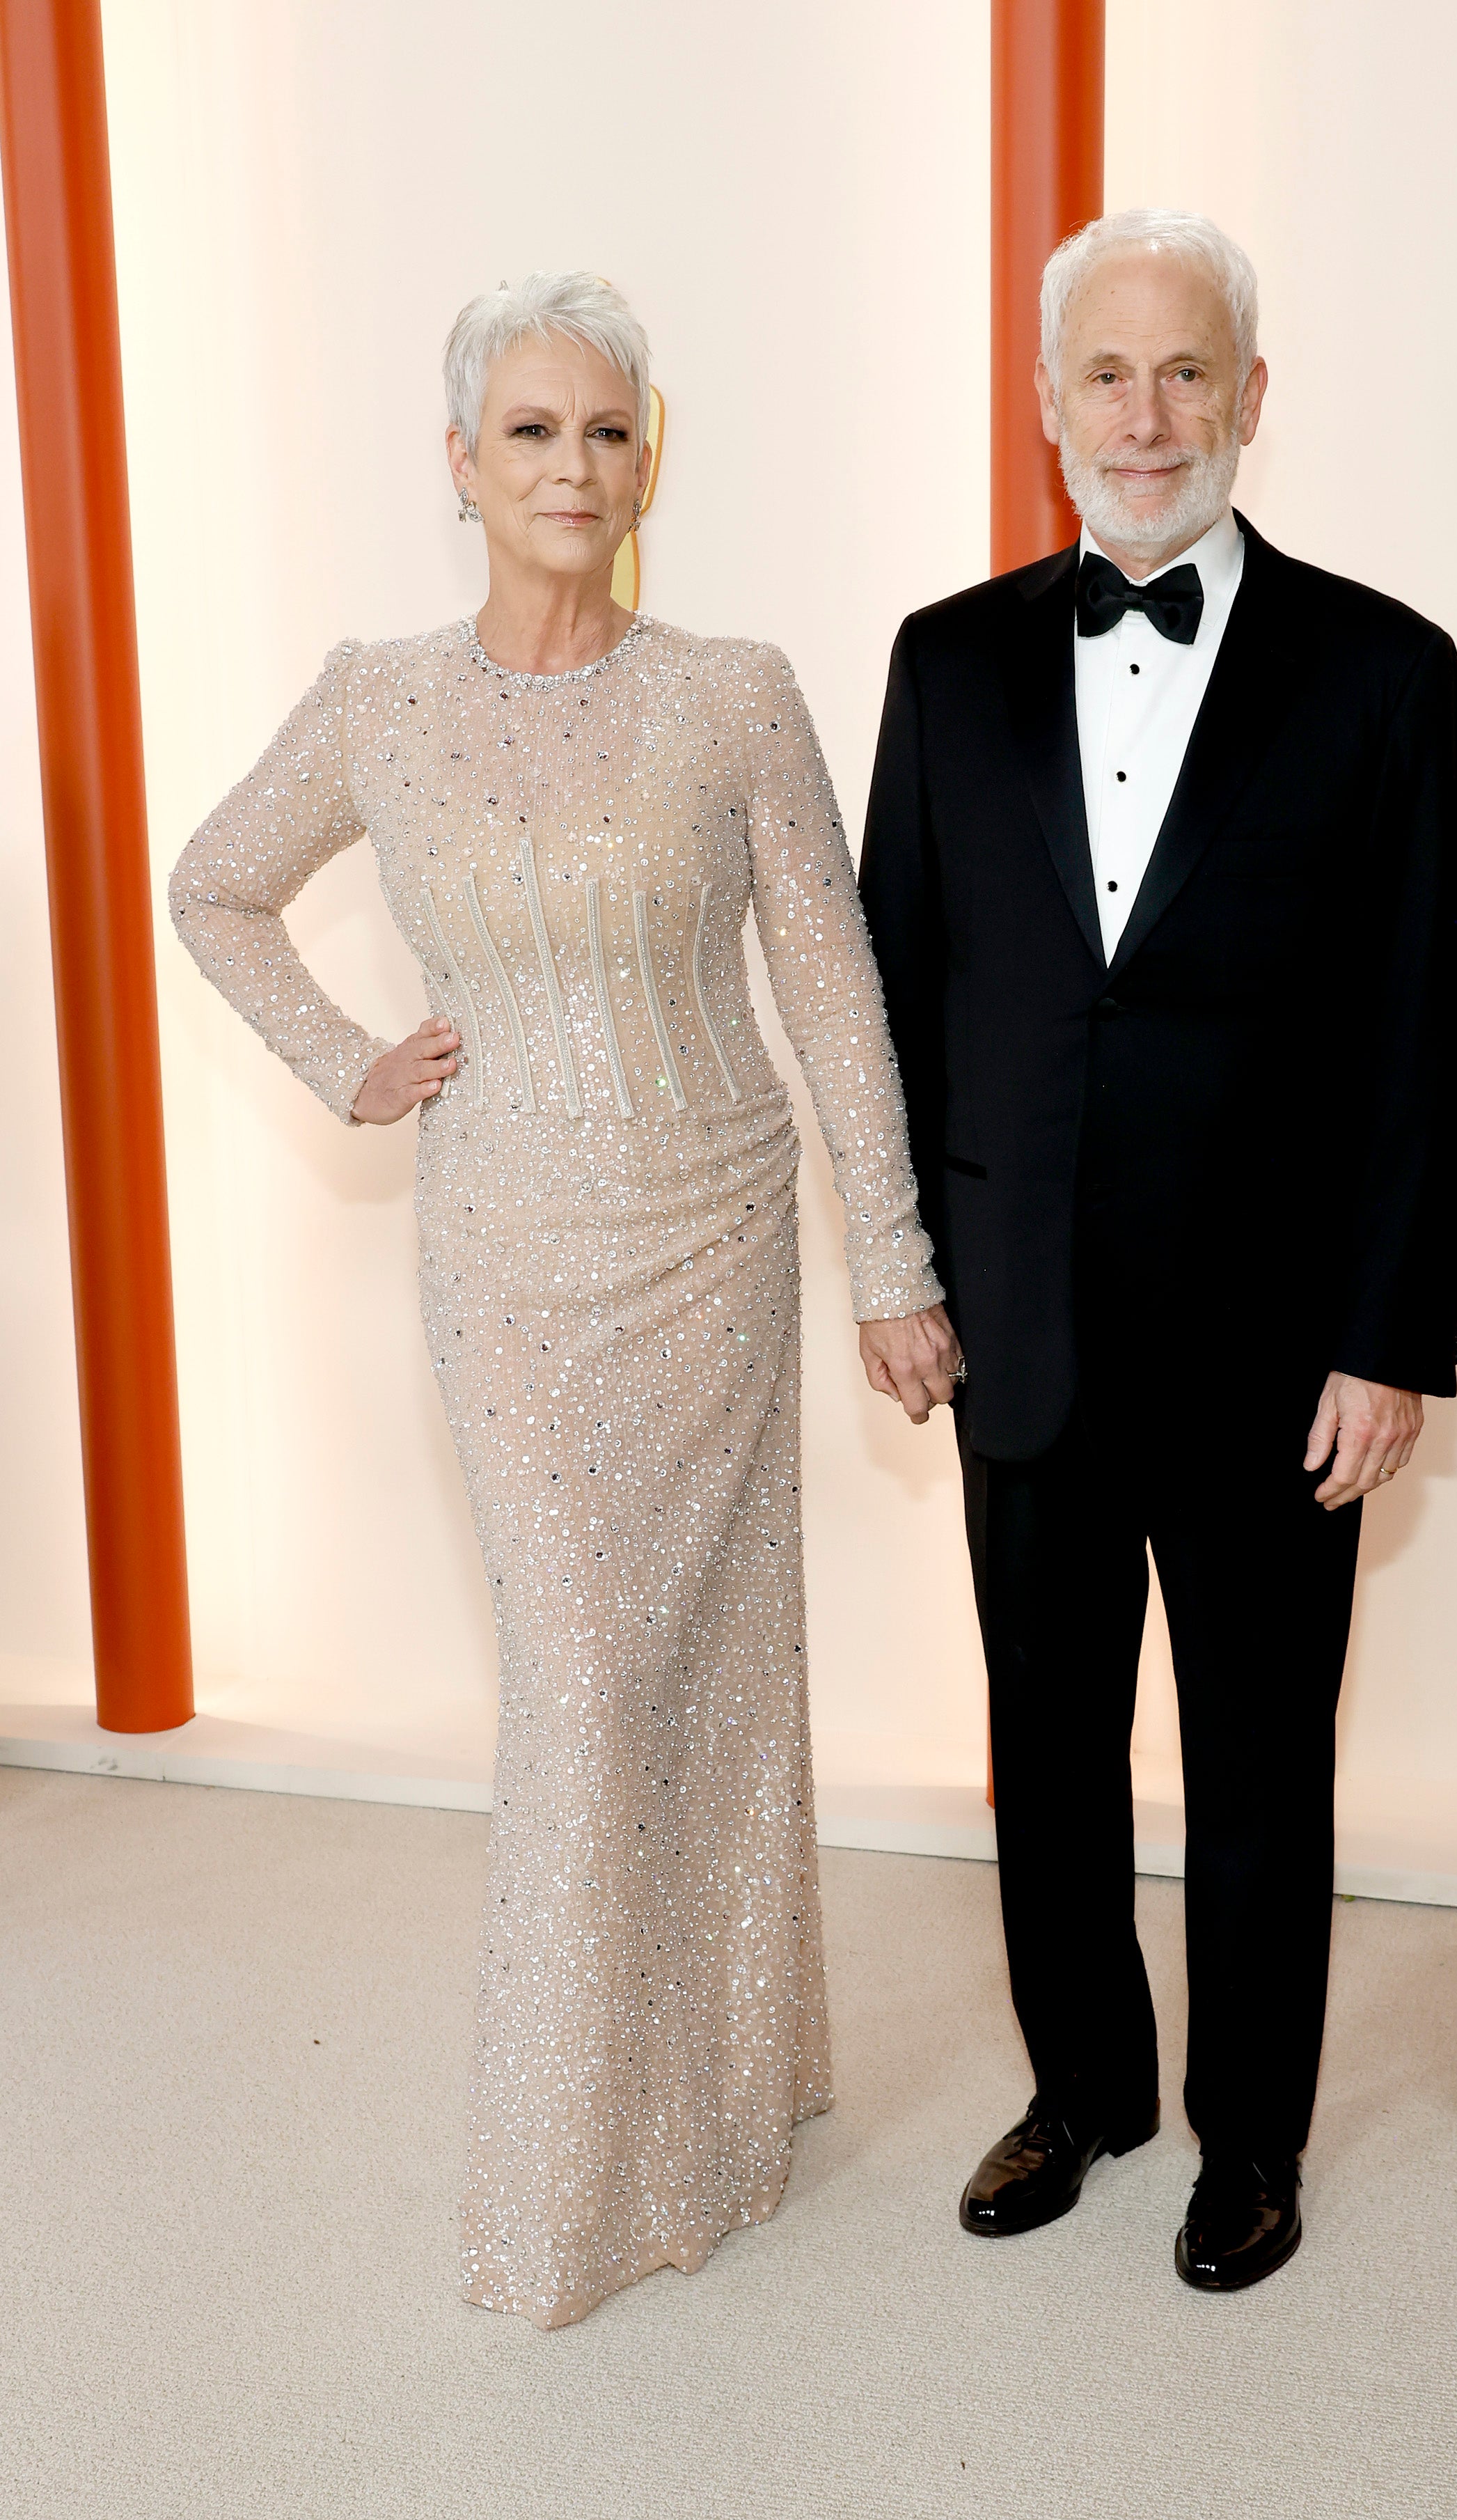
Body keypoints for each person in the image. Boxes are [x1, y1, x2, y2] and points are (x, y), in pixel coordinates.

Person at [168, 271, 961, 2329]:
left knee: (712, 1679)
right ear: (458, 463)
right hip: (507, 1255)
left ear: (647, 462)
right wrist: (348, 1057)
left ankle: (725, 2095)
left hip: (712, 1230)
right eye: (529, 430)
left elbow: (829, 983)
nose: (571, 466)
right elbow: (213, 882)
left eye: (606, 431)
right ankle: (557, 2187)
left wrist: (889, 1256)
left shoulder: (738, 691)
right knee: (591, 1680)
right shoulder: (374, 696)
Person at [858, 209, 1457, 2290]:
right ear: (1048, 410)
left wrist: (1391, 1335)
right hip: (1015, 1320)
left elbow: (1422, 1032)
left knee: (1258, 1764)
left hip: (1275, 1342)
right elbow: (895, 986)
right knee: (1042, 1739)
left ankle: (1252, 2140)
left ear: (1252, 399)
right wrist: (892, 1261)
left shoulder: (1393, 675)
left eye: (1186, 372)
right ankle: (1088, 2088)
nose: (1147, 416)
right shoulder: (941, 662)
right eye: (1106, 377)